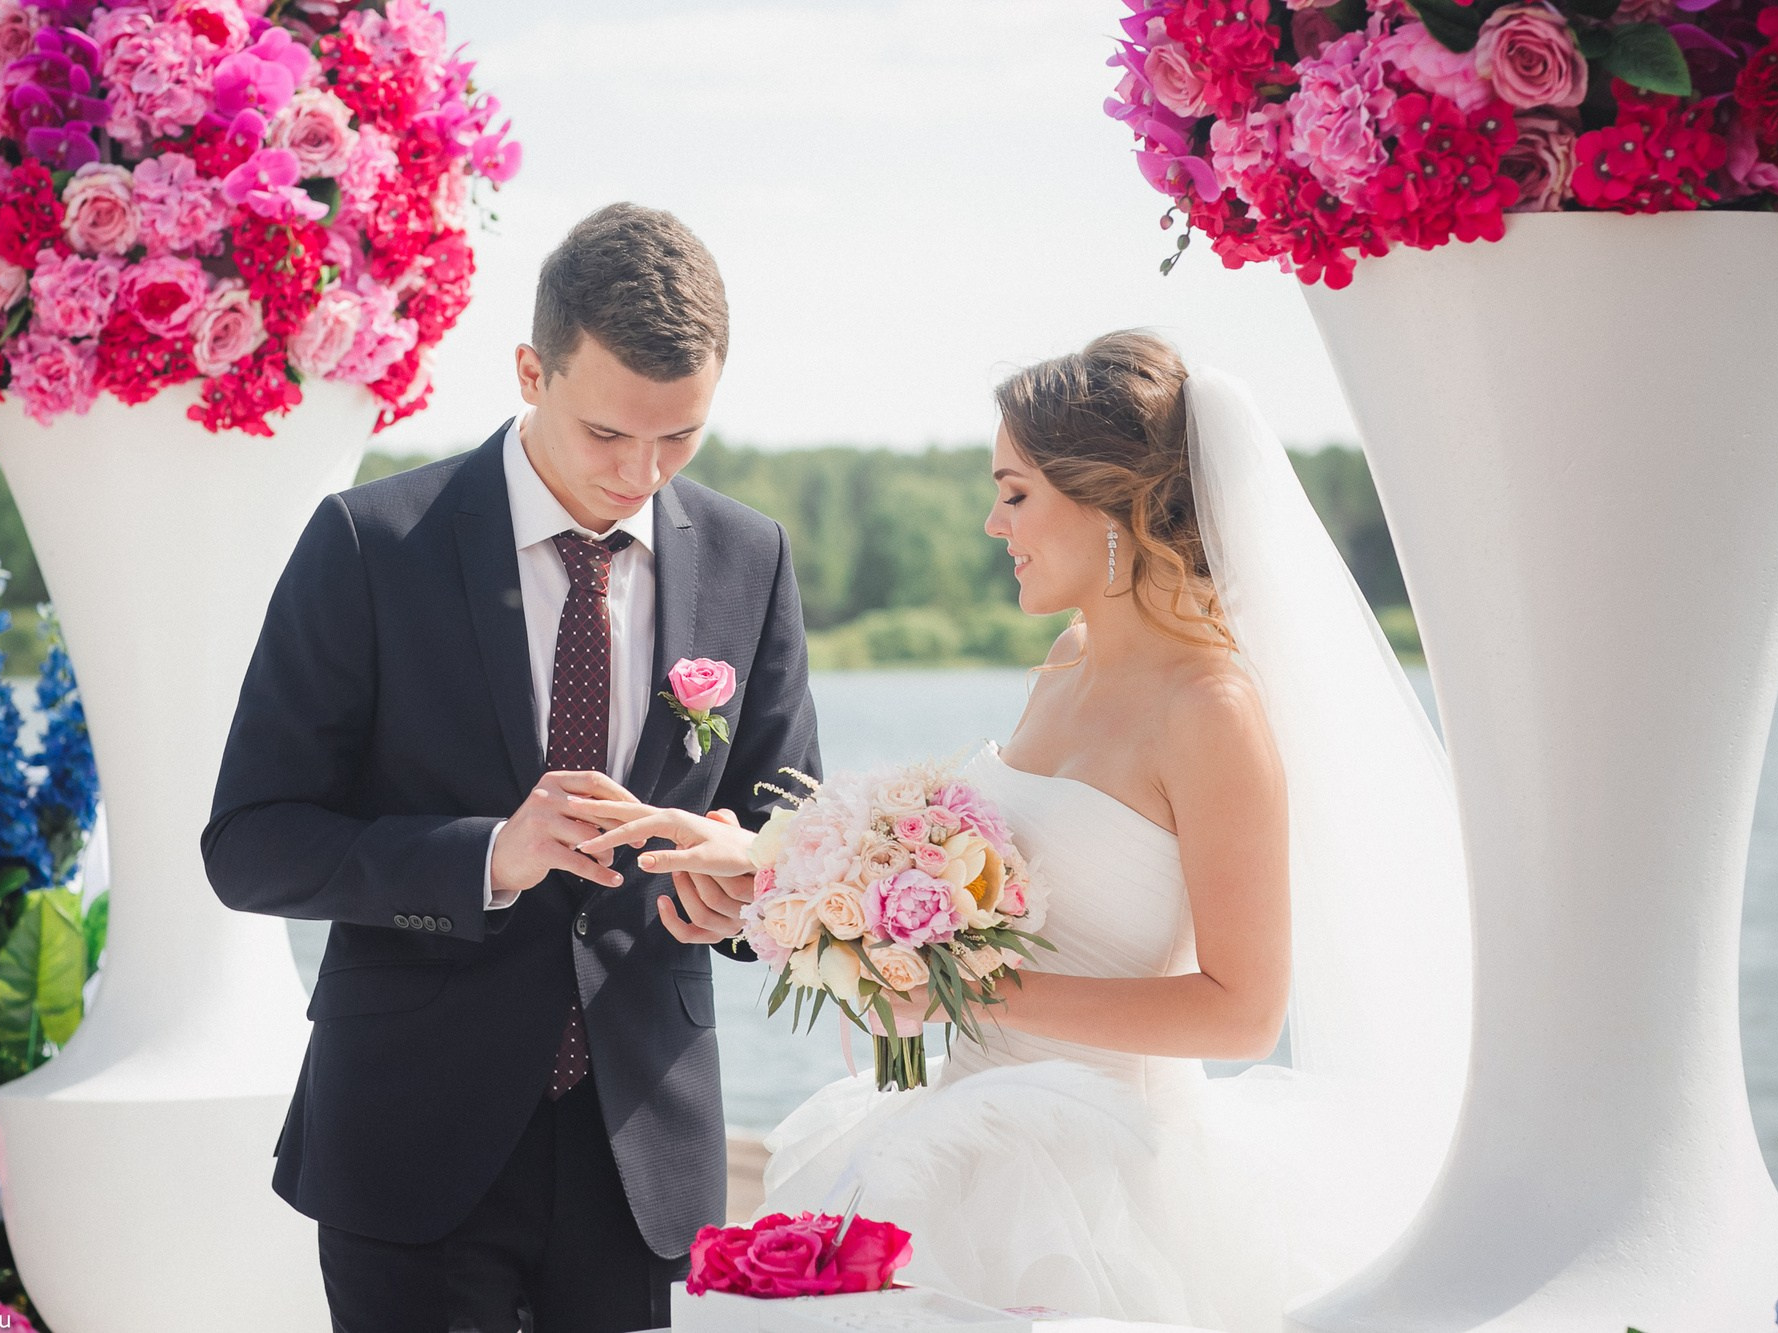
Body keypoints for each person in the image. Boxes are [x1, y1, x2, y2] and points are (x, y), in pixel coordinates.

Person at [580, 330, 1473, 1329]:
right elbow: (983, 898)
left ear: (1108, 507)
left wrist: (973, 985)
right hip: (932, 1128)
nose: (991, 521)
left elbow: (1240, 1013)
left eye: (1014, 492)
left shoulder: (1210, 709)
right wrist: (766, 869)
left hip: (1081, 1182)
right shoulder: (1067, 656)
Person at [199, 202, 821, 1333]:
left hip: (640, 1145)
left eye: (680, 439)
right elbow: (249, 841)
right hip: (409, 1137)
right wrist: (486, 854)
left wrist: (747, 879)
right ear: (531, 369)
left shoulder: (748, 555)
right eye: (608, 435)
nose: (642, 472)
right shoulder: (368, 545)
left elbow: (793, 829)